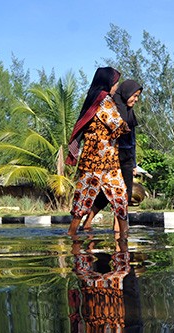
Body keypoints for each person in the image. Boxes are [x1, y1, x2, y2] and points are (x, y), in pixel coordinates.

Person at [67, 67, 130, 239]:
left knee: (85, 201)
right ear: (108, 82)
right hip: (101, 162)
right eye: (115, 82)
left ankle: (72, 235)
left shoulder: (93, 100)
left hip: (98, 162)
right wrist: (126, 116)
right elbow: (119, 126)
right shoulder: (104, 102)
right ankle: (124, 237)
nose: (116, 86)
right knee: (119, 199)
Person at [82, 80, 142, 233]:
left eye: (137, 97)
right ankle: (91, 224)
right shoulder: (111, 109)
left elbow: (132, 140)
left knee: (125, 195)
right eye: (134, 96)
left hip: (127, 159)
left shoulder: (130, 113)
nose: (135, 100)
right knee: (106, 195)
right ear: (127, 93)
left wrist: (134, 163)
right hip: (111, 158)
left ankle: (118, 230)